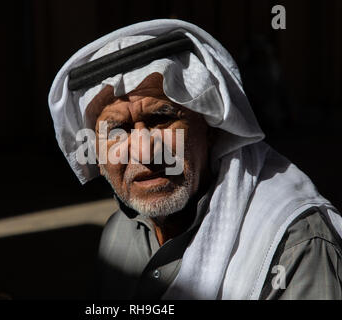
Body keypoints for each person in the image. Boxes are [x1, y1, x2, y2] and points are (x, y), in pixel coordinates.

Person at [48, 19, 342, 300]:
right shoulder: (118, 235)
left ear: (212, 129)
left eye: (160, 119)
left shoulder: (294, 241)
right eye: (118, 130)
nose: (143, 151)